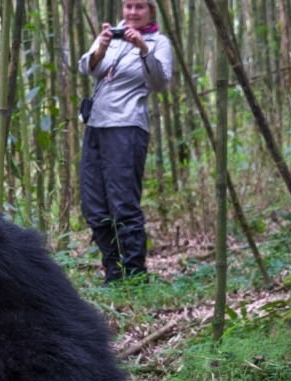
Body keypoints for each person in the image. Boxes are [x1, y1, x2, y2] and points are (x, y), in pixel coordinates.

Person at [77, 0, 172, 283]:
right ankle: (113, 271)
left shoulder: (159, 42)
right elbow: (87, 67)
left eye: (139, 7)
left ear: (151, 11)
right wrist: (102, 47)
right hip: (95, 125)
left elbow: (159, 83)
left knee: (123, 205)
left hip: (127, 127)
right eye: (128, 6)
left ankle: (135, 274)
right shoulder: (112, 34)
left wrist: (143, 49)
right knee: (94, 207)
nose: (132, 12)